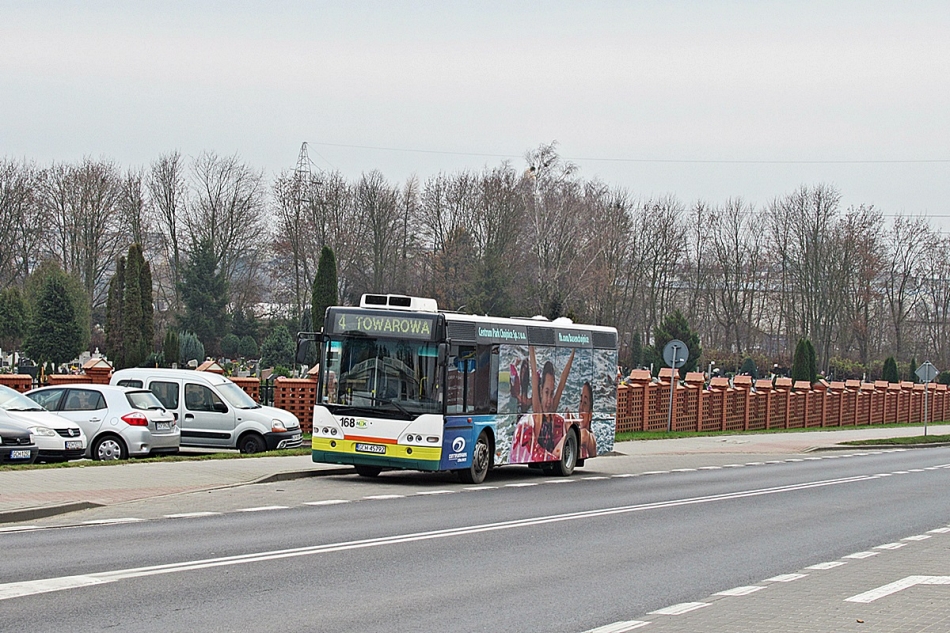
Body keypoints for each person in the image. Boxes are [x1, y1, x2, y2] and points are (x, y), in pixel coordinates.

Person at [530, 346, 575, 459]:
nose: (549, 401)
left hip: (552, 455)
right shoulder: (538, 411)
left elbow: (563, 380)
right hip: (539, 455)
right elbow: (533, 371)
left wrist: (573, 350)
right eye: (546, 392)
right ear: (540, 391)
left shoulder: (552, 409)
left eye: (552, 393)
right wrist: (530, 345)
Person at [577, 381, 597, 459]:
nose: (581, 408)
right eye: (580, 401)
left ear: (590, 415)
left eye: (585, 403)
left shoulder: (587, 435)